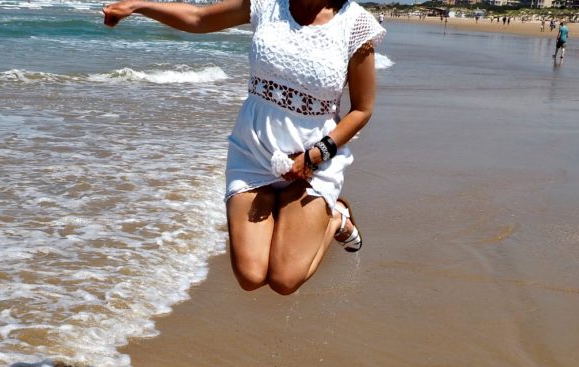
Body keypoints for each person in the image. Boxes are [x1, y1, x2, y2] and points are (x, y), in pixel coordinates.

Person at [102, 0, 385, 295]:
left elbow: (362, 109)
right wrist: (136, 6)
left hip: (315, 158)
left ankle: (336, 218)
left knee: (284, 281)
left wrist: (314, 157)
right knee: (250, 277)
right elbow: (198, 18)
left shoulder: (355, 24)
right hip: (253, 151)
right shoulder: (267, 4)